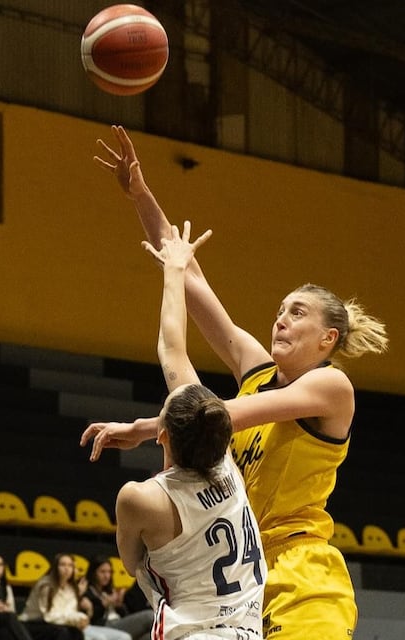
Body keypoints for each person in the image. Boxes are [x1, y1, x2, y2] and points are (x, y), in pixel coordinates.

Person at [82, 125, 390, 639]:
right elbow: (189, 273)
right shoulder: (257, 369)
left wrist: (142, 427)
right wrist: (139, 193)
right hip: (240, 573)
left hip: (302, 570)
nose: (280, 320)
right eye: (279, 311)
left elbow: (215, 415)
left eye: (297, 313)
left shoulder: (332, 388)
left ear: (328, 338)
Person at [109, 222, 265, 639]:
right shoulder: (229, 469)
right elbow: (174, 348)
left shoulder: (139, 499)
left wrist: (173, 270)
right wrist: (176, 267)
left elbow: (131, 562)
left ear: (163, 435)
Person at [19, 553, 128, 640]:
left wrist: (83, 617)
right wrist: (77, 618)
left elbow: (70, 611)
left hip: (58, 624)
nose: (67, 568)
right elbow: (49, 615)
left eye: (70, 565)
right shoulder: (46, 586)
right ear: (55, 567)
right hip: (35, 623)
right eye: (63, 565)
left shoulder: (71, 587)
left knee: (76, 633)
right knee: (65, 633)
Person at [81, 557, 151, 640]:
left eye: (109, 572)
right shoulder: (87, 591)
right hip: (103, 626)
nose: (107, 576)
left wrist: (119, 605)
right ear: (93, 573)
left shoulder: (109, 591)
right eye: (102, 572)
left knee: (150, 636)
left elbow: (124, 614)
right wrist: (104, 605)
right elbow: (91, 619)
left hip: (118, 621)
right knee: (150, 616)